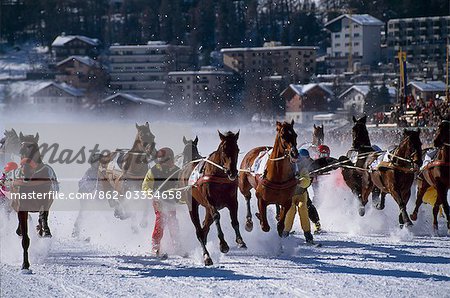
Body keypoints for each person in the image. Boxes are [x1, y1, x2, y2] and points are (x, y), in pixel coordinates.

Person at [142, 148, 181, 257]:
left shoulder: (177, 171)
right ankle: (155, 246)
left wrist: (181, 198)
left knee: (173, 221)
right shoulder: (153, 171)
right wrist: (152, 193)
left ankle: (177, 245)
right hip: (158, 201)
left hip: (172, 200)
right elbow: (145, 186)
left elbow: (182, 187)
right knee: (161, 220)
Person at [282, 149, 316, 244]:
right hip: (290, 195)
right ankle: (285, 232)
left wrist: (301, 181)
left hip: (301, 194)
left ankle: (308, 234)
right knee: (291, 210)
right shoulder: (286, 168)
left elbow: (307, 179)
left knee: (303, 208)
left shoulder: (302, 168)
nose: (296, 161)